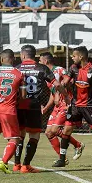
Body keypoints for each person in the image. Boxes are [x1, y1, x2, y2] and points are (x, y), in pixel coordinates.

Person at [53, 46, 92, 168]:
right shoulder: (73, 68)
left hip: (90, 106)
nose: (72, 58)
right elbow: (66, 81)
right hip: (75, 105)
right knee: (66, 130)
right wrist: (62, 85)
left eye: (74, 56)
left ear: (81, 57)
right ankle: (62, 159)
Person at [12, 45, 59, 174]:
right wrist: (63, 95)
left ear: (23, 55)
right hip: (33, 106)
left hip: (19, 105)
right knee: (34, 136)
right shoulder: (42, 68)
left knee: (20, 135)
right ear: (35, 56)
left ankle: (16, 164)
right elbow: (57, 84)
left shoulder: (16, 68)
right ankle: (26, 166)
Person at [40, 52, 84, 163]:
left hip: (66, 103)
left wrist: (61, 93)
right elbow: (53, 92)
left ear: (45, 61)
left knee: (54, 130)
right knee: (48, 133)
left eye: (40, 61)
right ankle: (68, 153)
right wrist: (46, 107)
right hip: (57, 106)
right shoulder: (46, 74)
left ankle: (72, 150)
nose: (38, 63)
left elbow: (69, 81)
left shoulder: (60, 70)